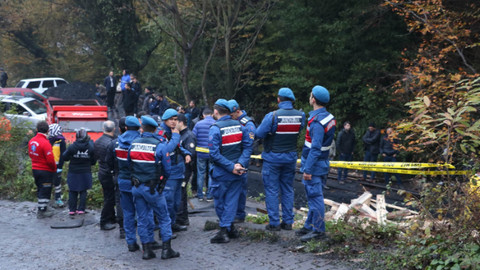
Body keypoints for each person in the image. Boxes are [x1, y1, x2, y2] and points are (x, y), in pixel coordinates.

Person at [129, 115, 180, 260]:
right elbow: (167, 169)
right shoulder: (159, 145)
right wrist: (161, 182)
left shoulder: (133, 144)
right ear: (155, 129)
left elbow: (129, 164)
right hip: (153, 189)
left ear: (142, 128)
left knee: (142, 218)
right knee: (164, 218)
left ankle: (147, 251)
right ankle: (166, 250)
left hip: (137, 187)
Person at [255, 88, 305, 231]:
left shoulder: (272, 116)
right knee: (288, 189)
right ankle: (288, 222)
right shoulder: (301, 116)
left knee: (271, 190)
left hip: (273, 158)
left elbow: (259, 133)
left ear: (278, 100)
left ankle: (274, 223)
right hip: (290, 158)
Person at [209, 99, 253, 244]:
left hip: (222, 172)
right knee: (232, 201)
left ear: (216, 112)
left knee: (220, 202)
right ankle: (230, 228)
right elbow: (248, 147)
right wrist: (239, 164)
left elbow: (214, 154)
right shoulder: (241, 126)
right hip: (238, 171)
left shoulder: (215, 128)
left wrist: (230, 166)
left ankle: (223, 231)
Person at [297, 85, 336, 242]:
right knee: (313, 196)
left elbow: (315, 148)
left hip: (314, 163)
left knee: (315, 197)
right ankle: (309, 225)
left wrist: (308, 169)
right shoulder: (328, 117)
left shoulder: (317, 122)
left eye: (310, 95)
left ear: (313, 99)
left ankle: (319, 230)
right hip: (322, 162)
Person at [157, 109, 191, 233]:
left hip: (178, 171)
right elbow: (166, 150)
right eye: (171, 119)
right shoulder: (161, 133)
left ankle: (172, 223)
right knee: (168, 202)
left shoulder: (172, 132)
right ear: (165, 120)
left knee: (177, 202)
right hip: (168, 173)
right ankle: (165, 228)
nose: (174, 122)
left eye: (176, 119)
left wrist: (186, 153)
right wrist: (176, 135)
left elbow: (178, 147)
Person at [112, 116, 142, 251]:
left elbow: (110, 161)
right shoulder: (140, 142)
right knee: (143, 213)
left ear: (125, 127)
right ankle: (146, 242)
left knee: (128, 213)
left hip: (123, 180)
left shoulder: (116, 142)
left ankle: (131, 242)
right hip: (139, 182)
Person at [228, 99, 257, 224]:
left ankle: (239, 215)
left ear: (238, 111)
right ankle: (230, 214)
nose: (230, 117)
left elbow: (249, 144)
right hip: (232, 159)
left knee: (240, 189)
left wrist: (241, 162)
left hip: (241, 160)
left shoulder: (248, 124)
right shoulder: (235, 122)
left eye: (232, 115)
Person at [62, 128, 96, 215]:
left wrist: (72, 156)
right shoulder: (90, 147)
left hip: (73, 172)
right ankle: (81, 209)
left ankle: (72, 210)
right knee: (83, 191)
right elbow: (93, 162)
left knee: (72, 191)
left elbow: (64, 157)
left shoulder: (72, 147)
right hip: (85, 172)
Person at [28, 121, 57, 218]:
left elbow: (30, 154)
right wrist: (54, 168)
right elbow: (50, 160)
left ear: (36, 129)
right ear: (48, 130)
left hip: (35, 169)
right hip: (45, 170)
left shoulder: (32, 140)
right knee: (45, 189)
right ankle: (42, 211)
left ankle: (43, 207)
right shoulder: (45, 143)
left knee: (40, 188)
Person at [105, 117, 127, 238]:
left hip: (119, 176)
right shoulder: (137, 141)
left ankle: (123, 229)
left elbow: (108, 161)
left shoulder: (113, 143)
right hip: (135, 177)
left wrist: (114, 172)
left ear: (119, 129)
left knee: (120, 203)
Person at [94, 120, 117, 230]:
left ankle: (112, 217)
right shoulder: (112, 143)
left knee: (108, 196)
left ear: (103, 129)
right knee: (110, 198)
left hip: (102, 172)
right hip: (109, 173)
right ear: (114, 129)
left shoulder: (97, 141)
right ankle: (104, 221)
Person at [176, 113, 196, 226]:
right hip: (179, 169)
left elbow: (191, 153)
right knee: (180, 193)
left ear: (181, 122)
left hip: (185, 169)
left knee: (181, 193)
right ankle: (181, 217)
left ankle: (182, 218)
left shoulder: (189, 136)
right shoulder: (179, 134)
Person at [192, 108, 215, 200]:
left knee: (200, 173)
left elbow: (193, 137)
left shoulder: (198, 124)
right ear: (212, 114)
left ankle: (200, 195)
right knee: (211, 174)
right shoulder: (216, 124)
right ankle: (209, 195)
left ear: (203, 115)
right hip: (212, 153)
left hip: (201, 152)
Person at [48, 124, 66, 208]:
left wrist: (60, 167)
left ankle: (58, 199)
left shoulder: (61, 141)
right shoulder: (47, 140)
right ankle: (46, 199)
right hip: (47, 166)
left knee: (57, 183)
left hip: (57, 166)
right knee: (47, 183)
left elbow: (63, 155)